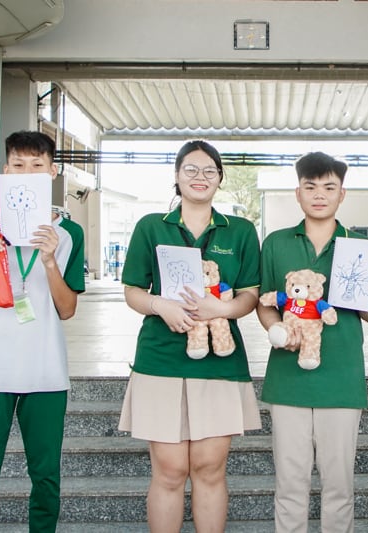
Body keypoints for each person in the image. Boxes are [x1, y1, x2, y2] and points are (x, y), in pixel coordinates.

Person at [118, 140, 261, 532]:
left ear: (220, 178)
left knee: (209, 468)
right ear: (177, 176)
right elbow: (132, 291)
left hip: (219, 364)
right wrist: (159, 305)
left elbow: (250, 295)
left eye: (209, 171)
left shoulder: (240, 230)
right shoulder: (151, 226)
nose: (200, 177)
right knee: (169, 471)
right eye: (191, 170)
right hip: (160, 360)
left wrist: (222, 310)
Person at [0, 130, 85, 532]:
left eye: (37, 165)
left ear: (52, 172)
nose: (27, 172)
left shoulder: (68, 234)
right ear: (5, 170)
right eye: (18, 165)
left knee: (45, 476)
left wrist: (49, 261)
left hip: (45, 371)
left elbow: (67, 309)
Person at [256, 152, 368, 533]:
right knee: (290, 485)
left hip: (342, 378)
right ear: (298, 193)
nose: (319, 195)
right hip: (288, 379)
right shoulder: (277, 243)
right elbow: (264, 302)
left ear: (342, 194)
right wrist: (278, 331)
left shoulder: (358, 246)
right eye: (310, 187)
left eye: (329, 188)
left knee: (339, 488)